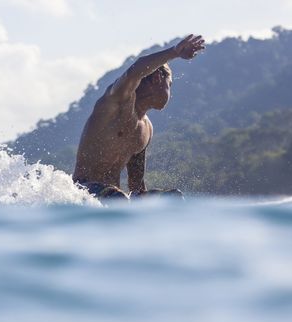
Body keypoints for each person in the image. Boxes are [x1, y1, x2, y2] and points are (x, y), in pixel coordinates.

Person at [73, 34, 205, 199]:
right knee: (117, 197)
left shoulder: (146, 128)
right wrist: (174, 52)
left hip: (115, 195)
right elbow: (134, 72)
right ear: (157, 78)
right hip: (82, 190)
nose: (170, 93)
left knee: (174, 197)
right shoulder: (117, 102)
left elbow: (136, 188)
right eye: (169, 84)